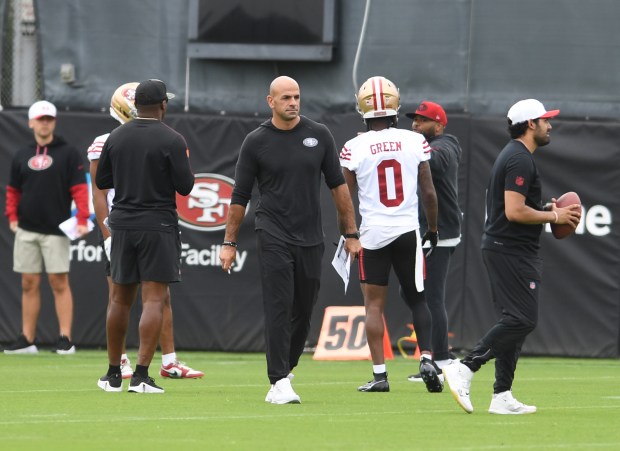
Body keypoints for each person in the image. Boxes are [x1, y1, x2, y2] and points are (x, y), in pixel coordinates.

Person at [219, 75, 361, 404]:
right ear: (270, 102)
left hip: (311, 235)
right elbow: (239, 196)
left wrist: (351, 233)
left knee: (304, 307)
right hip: (272, 232)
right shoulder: (255, 141)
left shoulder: (319, 134)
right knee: (279, 305)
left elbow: (338, 187)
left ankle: (287, 368)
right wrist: (229, 242)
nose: (293, 102)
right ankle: (278, 380)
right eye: (285, 97)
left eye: (296, 96)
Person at [443, 99, 581, 414]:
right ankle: (465, 367)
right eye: (545, 120)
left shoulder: (516, 156)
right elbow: (514, 211)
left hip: (506, 248)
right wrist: (555, 218)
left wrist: (547, 209)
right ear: (531, 124)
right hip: (511, 251)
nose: (550, 125)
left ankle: (502, 395)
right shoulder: (520, 158)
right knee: (522, 319)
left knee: (513, 320)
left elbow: (517, 207)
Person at [88, 82, 203, 380]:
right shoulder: (173, 138)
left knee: (119, 300)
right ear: (163, 104)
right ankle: (140, 375)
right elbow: (185, 187)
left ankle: (113, 373)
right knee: (154, 300)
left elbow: (103, 181)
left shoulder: (114, 137)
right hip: (157, 224)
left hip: (122, 224)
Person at [339, 76, 442, 394]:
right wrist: (433, 230)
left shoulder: (353, 147)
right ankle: (426, 357)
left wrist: (349, 234)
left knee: (373, 307)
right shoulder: (414, 141)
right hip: (407, 230)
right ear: (396, 106)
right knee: (419, 300)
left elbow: (345, 197)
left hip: (372, 234)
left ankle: (380, 375)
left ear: (363, 109)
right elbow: (428, 192)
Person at [4, 100, 89, 355]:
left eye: (49, 119)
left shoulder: (68, 153)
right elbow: (13, 190)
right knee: (28, 282)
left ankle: (65, 339)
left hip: (57, 229)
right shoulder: (21, 154)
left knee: (58, 281)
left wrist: (83, 219)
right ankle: (27, 339)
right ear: (31, 122)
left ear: (54, 122)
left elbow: (80, 189)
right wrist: (11, 215)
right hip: (27, 229)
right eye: (40, 119)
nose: (45, 123)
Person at [401, 101, 462, 384]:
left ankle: (440, 359)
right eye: (414, 120)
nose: (416, 125)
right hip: (424, 231)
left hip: (441, 233)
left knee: (431, 297)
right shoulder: (420, 146)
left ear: (438, 125)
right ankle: (440, 356)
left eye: (423, 121)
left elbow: (437, 159)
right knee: (415, 295)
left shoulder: (445, 144)